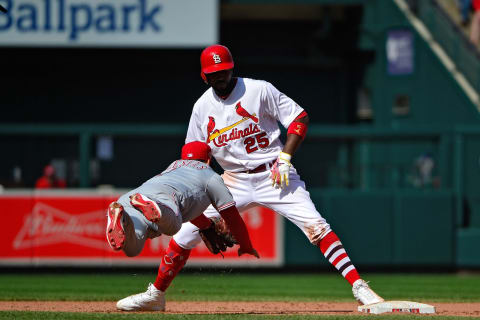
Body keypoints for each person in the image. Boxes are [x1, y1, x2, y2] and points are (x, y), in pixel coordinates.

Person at [126, 44, 384, 311]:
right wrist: (201, 212)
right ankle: (156, 295)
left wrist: (285, 157)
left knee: (317, 227)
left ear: (232, 68)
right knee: (184, 234)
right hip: (232, 180)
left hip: (275, 174)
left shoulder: (258, 89)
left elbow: (299, 117)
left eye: (224, 71)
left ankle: (359, 286)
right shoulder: (202, 107)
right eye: (214, 73)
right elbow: (193, 158)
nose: (220, 77)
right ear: (204, 76)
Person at [106, 141, 259, 311]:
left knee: (132, 249)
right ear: (208, 160)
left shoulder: (173, 167)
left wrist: (207, 225)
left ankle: (123, 217)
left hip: (129, 199)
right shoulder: (212, 177)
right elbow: (233, 217)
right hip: (164, 201)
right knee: (173, 227)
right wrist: (246, 245)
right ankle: (156, 209)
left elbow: (192, 211)